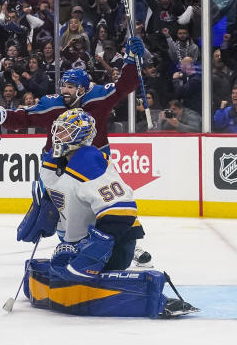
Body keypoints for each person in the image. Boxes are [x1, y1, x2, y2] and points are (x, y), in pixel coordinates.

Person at [0, 36, 156, 267]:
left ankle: (123, 242)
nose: (65, 90)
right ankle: (70, 244)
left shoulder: (98, 97)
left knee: (106, 203)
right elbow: (25, 116)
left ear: (82, 88)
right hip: (57, 165)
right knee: (65, 211)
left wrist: (131, 59)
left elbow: (125, 86)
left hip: (94, 164)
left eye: (70, 86)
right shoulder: (54, 104)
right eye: (63, 85)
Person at [19, 110, 196, 318]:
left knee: (73, 276)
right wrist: (48, 213)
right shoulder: (54, 162)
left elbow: (121, 210)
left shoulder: (88, 159)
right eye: (57, 130)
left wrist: (94, 251)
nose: (58, 136)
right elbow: (64, 198)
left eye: (66, 132)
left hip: (115, 247)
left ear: (81, 136)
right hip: (79, 243)